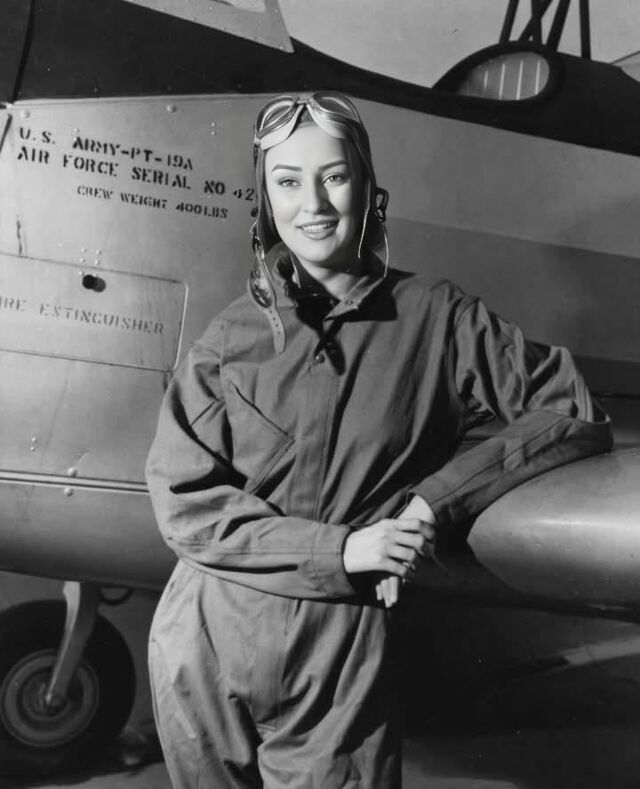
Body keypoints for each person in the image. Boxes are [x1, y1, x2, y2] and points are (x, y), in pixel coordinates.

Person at [145, 92, 612, 789]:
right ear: (266, 200)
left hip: (338, 652)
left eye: (334, 176)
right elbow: (184, 502)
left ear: (368, 186)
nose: (313, 204)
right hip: (204, 636)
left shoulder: (439, 317)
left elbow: (568, 409)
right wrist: (341, 550)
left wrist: (430, 506)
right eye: (287, 181)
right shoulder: (226, 340)